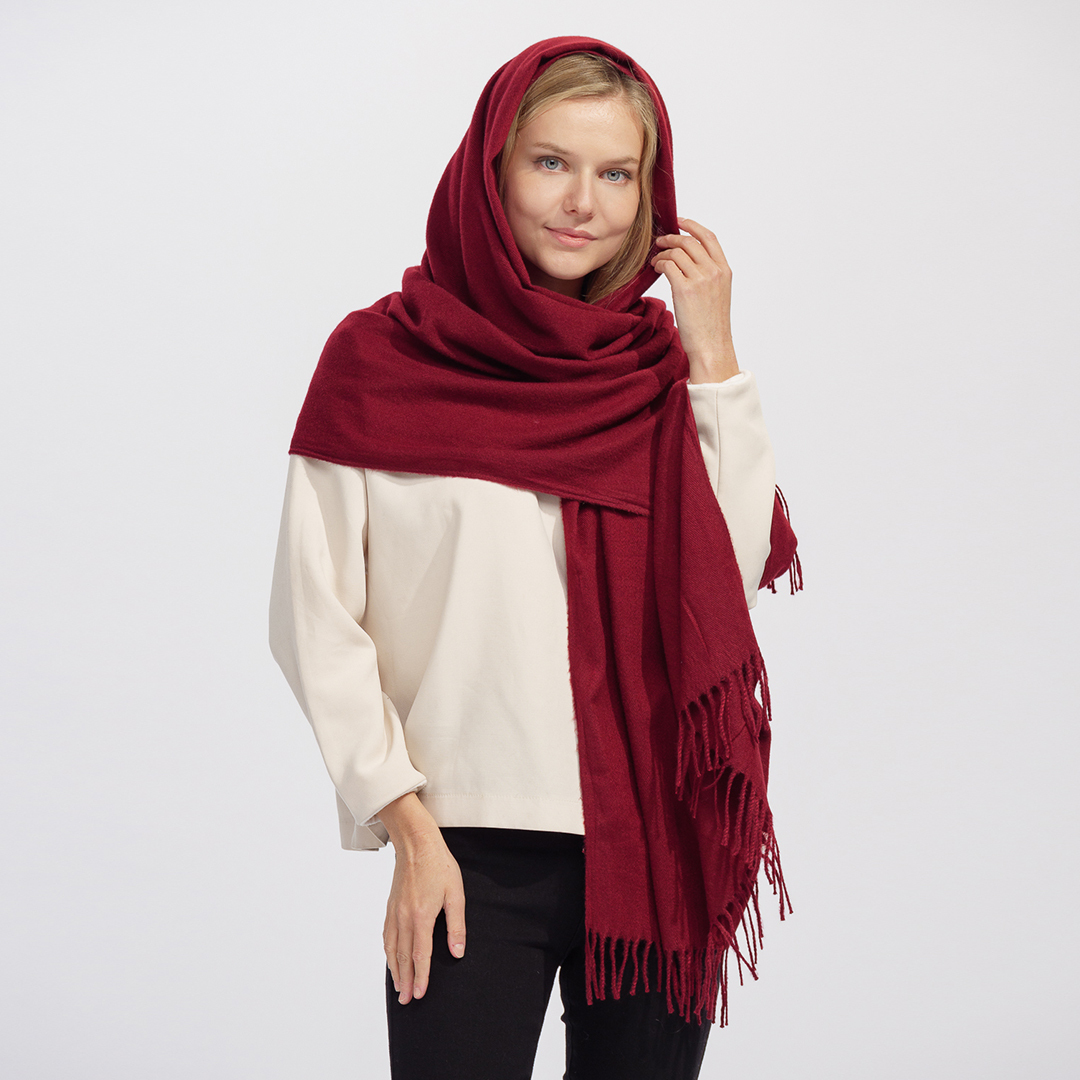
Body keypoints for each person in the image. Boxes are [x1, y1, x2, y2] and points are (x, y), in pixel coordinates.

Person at [270, 36, 799, 1080]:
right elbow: (314, 619)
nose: (582, 203)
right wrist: (405, 822)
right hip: (466, 849)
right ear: (493, 167)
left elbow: (724, 584)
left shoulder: (660, 374)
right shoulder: (380, 361)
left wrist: (714, 357)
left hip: (657, 836)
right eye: (551, 162)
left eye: (618, 175)